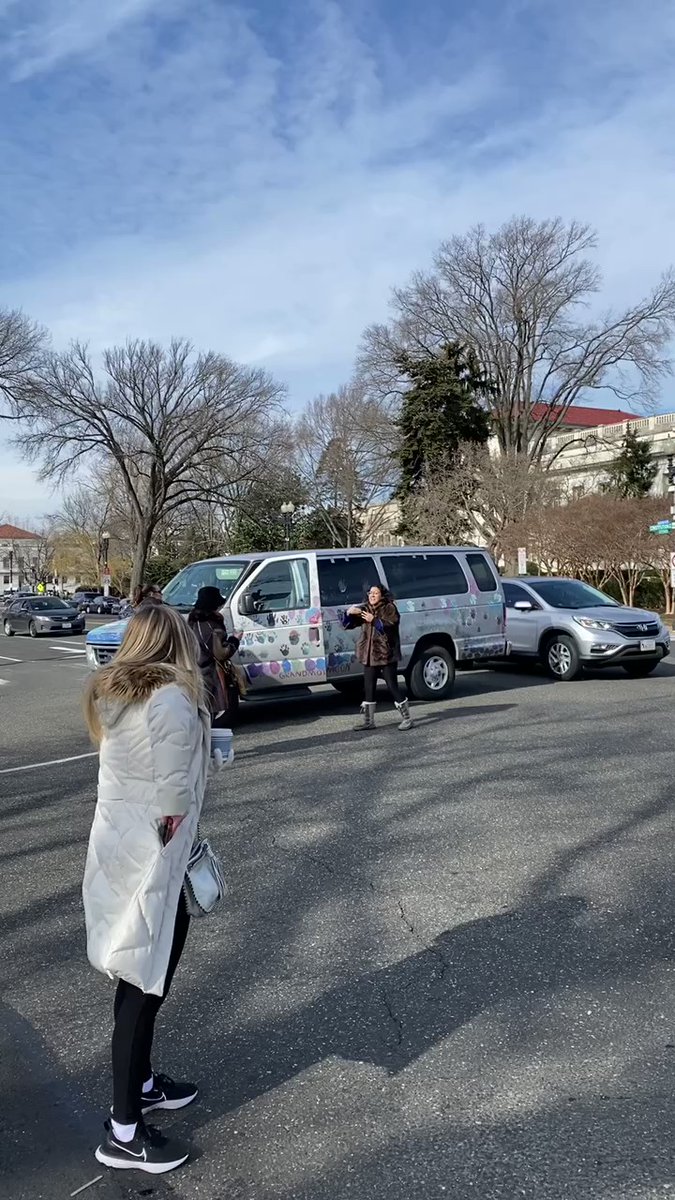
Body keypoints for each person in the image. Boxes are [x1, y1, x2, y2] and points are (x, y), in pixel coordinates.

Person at [82, 604, 214, 1174]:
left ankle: (140, 1084)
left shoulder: (118, 696)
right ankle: (123, 1130)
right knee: (142, 987)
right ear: (174, 642)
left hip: (118, 851)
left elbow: (138, 773)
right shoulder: (170, 698)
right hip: (153, 863)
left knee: (138, 979)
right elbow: (171, 797)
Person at [343, 584, 413, 731]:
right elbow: (348, 624)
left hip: (386, 654)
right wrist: (349, 613)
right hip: (368, 655)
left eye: (376, 593)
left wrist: (374, 620)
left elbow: (390, 625)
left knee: (392, 686)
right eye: (370, 593)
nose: (372, 595)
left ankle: (407, 718)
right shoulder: (366, 608)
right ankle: (369, 721)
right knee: (368, 687)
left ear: (382, 595)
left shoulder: (389, 608)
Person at [187, 586, 244, 726]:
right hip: (210, 673)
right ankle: (209, 744)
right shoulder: (212, 625)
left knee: (201, 713)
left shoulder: (193, 621)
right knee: (210, 714)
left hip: (196, 669)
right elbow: (221, 653)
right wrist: (235, 639)